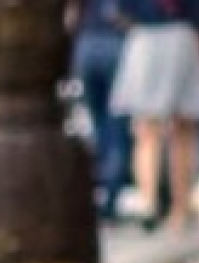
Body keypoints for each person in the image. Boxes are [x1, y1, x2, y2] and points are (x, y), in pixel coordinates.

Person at [110, 0, 199, 232]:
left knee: (157, 131)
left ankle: (157, 204)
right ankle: (172, 207)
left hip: (156, 35)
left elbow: (119, 10)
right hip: (172, 34)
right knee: (170, 132)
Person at [69, 0, 133, 221]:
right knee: (117, 127)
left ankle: (99, 189)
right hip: (114, 41)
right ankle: (110, 196)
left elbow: (72, 13)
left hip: (87, 43)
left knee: (99, 125)